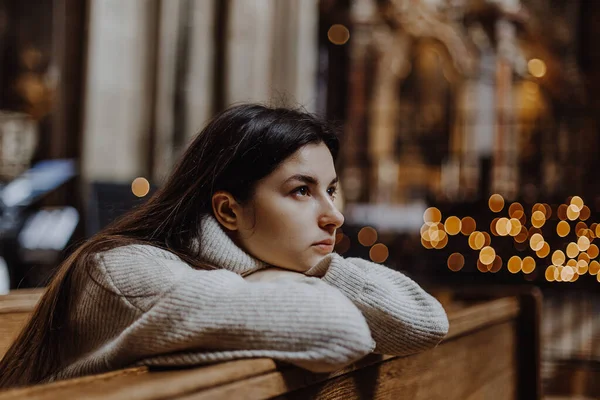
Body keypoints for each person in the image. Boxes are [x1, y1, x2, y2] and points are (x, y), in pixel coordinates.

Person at [0, 104, 449, 389]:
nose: (334, 214)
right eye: (301, 191)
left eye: (330, 190)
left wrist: (305, 269)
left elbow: (426, 322)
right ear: (228, 211)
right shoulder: (124, 271)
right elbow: (340, 332)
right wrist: (287, 273)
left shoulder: (251, 266)